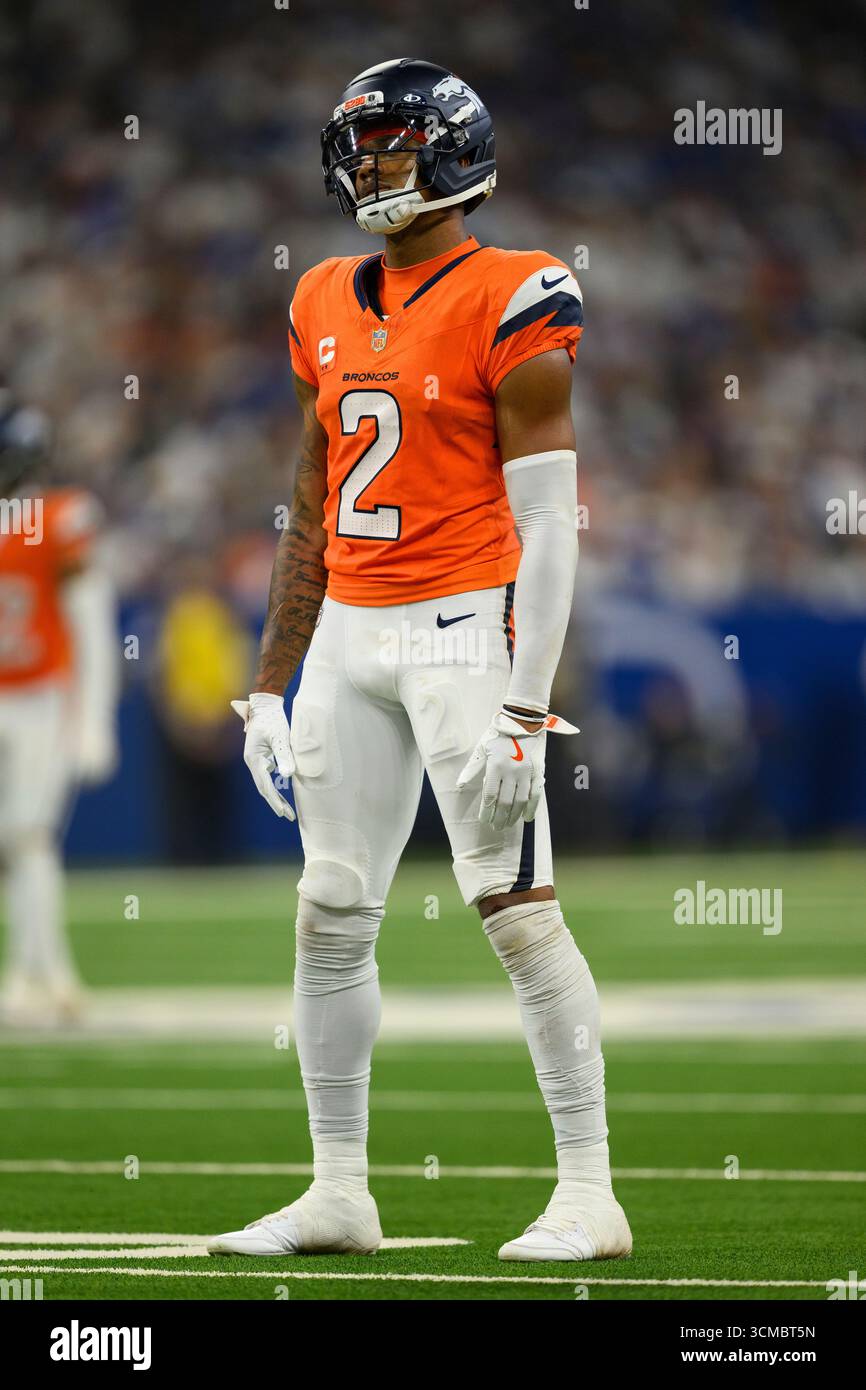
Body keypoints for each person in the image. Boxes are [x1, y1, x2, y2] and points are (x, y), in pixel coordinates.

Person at [211, 59, 631, 1263]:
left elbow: (550, 521)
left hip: (463, 627)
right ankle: (338, 1189)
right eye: (359, 146)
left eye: (392, 145)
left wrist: (521, 698)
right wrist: (267, 677)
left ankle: (589, 1192)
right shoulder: (320, 299)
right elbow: (312, 491)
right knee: (330, 910)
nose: (369, 167)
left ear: (453, 153)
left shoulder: (516, 289)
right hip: (348, 628)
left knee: (513, 908)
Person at [0, 391, 118, 1026]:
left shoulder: (59, 517)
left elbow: (92, 624)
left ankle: (37, 975)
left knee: (28, 836)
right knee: (20, 841)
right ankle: (43, 976)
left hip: (40, 697)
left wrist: (95, 719)